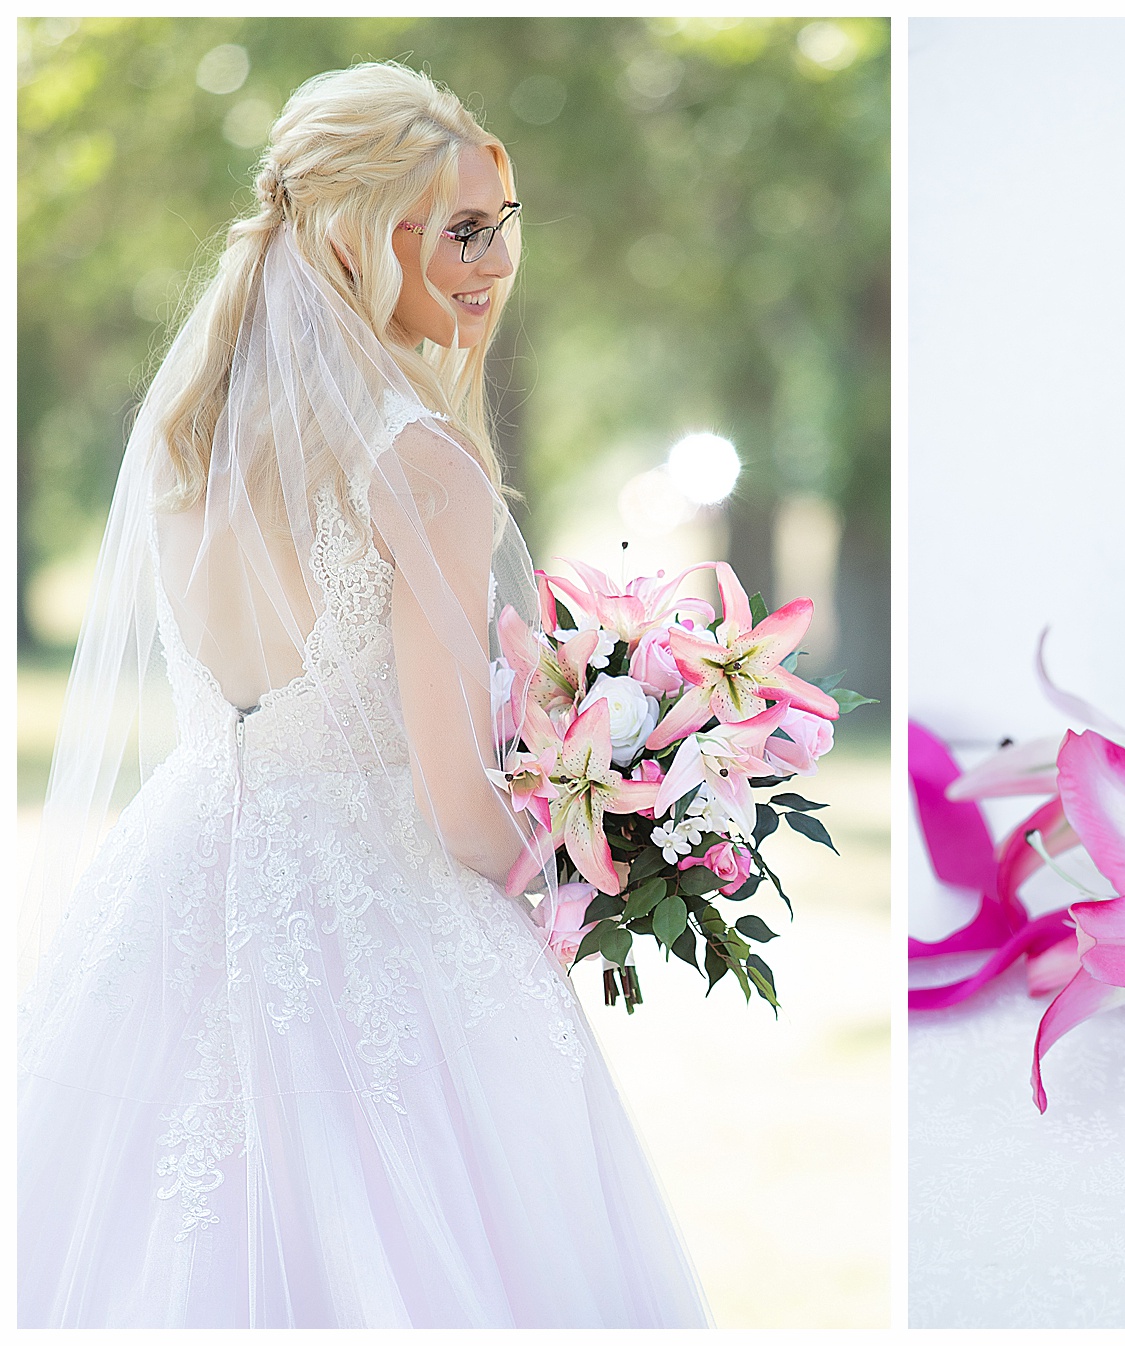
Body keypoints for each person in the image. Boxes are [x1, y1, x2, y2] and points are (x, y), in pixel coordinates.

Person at [17, 62, 710, 1328]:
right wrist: (622, 847)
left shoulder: (191, 434)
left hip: (181, 879)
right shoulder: (418, 462)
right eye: (459, 230)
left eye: (502, 229)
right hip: (380, 915)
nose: (495, 261)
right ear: (358, 233)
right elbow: (456, 810)